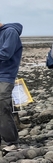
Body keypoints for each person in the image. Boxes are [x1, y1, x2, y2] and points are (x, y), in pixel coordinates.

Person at [0, 22, 22, 154]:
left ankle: (12, 142)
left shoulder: (10, 32)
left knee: (2, 107)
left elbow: (6, 54)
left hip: (5, 76)